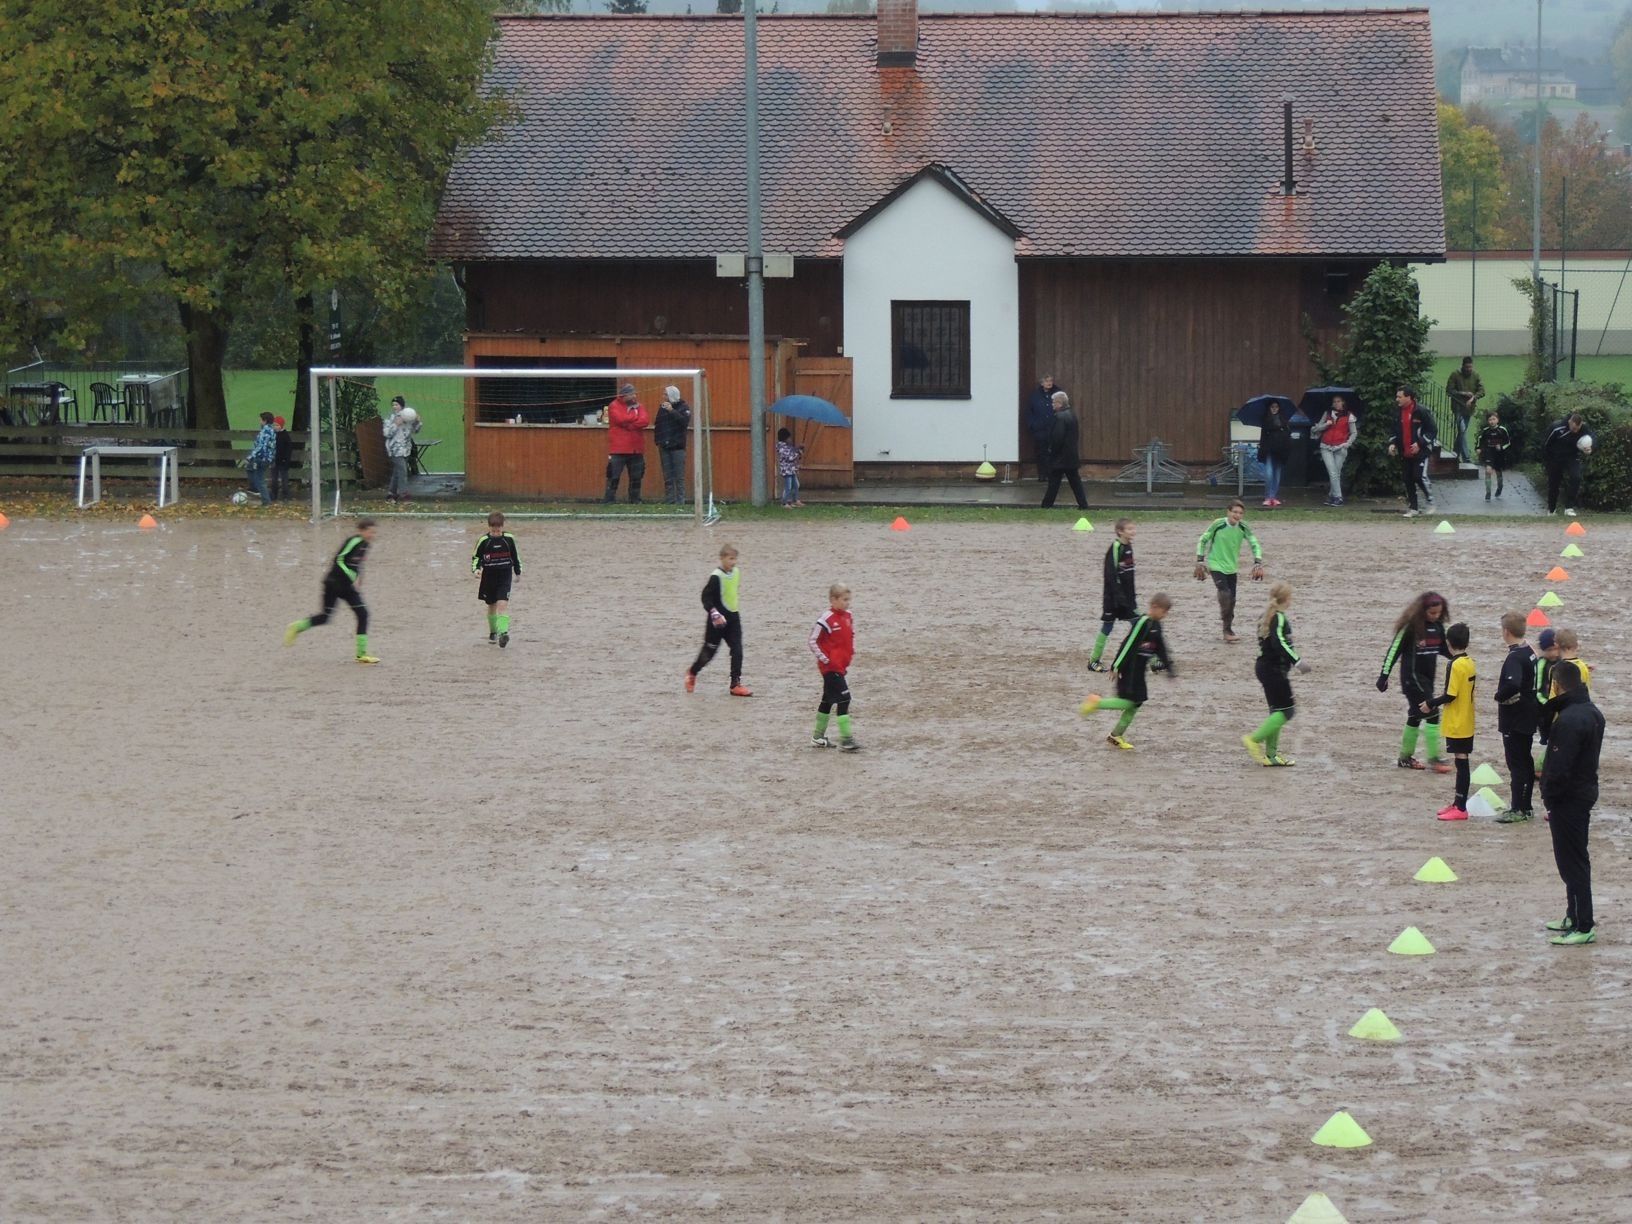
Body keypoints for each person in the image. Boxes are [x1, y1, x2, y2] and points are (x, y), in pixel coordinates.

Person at [1540, 661, 1604, 945]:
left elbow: (1559, 767)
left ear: (1557, 684)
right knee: (1571, 859)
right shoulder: (1591, 712)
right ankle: (1573, 913)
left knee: (1572, 862)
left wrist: (1548, 795)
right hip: (1583, 790)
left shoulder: (1569, 719)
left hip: (1569, 798)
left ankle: (1583, 925)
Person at [1078, 593, 1174, 750]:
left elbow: (1161, 647)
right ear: (1155, 607)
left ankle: (1116, 735)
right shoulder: (1143, 622)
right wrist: (1116, 666)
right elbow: (1127, 644)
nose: (1165, 615)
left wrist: (1169, 669)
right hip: (1129, 670)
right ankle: (1096, 703)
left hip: (1140, 672)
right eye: (1164, 611)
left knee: (1137, 703)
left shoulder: (1156, 626)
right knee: (1129, 702)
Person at [283, 518, 379, 663]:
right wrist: (350, 574)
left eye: (374, 532)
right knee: (325, 617)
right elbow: (339, 559)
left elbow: (357, 563)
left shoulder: (366, 545)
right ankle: (296, 627)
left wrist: (359, 576)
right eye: (370, 532)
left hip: (346, 586)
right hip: (333, 583)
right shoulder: (353, 541)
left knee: (363, 614)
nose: (372, 535)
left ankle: (361, 654)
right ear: (361, 530)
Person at [1377, 592, 1453, 773]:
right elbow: (1393, 650)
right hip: (1412, 680)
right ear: (1422, 610)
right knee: (1432, 713)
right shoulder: (1410, 628)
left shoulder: (1438, 627)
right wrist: (1384, 675)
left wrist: (1460, 658)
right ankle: (1434, 759)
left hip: (1428, 680)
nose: (1435, 616)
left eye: (1438, 613)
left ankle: (1405, 758)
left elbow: (1444, 649)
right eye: (1431, 613)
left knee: (1415, 715)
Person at [1243, 582, 1310, 767]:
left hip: (1263, 668)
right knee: (1288, 711)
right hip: (1273, 671)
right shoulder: (1279, 618)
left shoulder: (1266, 616)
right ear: (1287, 599)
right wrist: (1298, 661)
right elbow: (1279, 643)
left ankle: (1271, 755)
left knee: (1276, 711)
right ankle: (1253, 739)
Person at [1423, 622, 1476, 820]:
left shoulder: (1454, 664)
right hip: (1467, 719)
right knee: (1461, 760)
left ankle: (1461, 808)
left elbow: (1450, 695)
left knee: (1462, 762)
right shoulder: (1470, 662)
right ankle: (1457, 802)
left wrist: (1430, 703)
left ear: (1448, 642)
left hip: (1457, 721)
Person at [1194, 499, 1264, 643]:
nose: (1237, 515)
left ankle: (1228, 628)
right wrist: (1200, 560)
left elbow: (1254, 543)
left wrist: (1258, 561)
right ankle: (1226, 630)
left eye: (1240, 513)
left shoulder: (1243, 527)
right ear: (1228, 512)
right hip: (1216, 565)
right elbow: (1203, 539)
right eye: (1235, 512)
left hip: (1232, 568)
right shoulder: (1218, 524)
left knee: (1232, 600)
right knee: (1225, 595)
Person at [685, 544, 751, 696]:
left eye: (735, 559)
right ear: (722, 559)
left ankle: (735, 684)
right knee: (709, 653)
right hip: (717, 622)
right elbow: (705, 597)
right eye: (730, 559)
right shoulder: (716, 577)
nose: (733, 562)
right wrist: (713, 612)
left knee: (737, 650)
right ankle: (692, 673)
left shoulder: (736, 572)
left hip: (733, 618)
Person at [1493, 611, 1539, 824]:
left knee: (1517, 764)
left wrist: (1498, 696)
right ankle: (1527, 806)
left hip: (1515, 719)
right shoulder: (1530, 650)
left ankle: (1517, 808)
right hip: (1529, 714)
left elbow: (1512, 683)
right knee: (1526, 762)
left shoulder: (1515, 657)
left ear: (1506, 632)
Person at [808, 582, 858, 751]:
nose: (847, 603)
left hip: (841, 666)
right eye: (844, 599)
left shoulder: (848, 615)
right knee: (845, 699)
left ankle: (817, 737)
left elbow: (849, 636)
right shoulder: (825, 619)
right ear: (833, 600)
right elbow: (812, 640)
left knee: (828, 700)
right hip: (830, 669)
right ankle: (846, 739)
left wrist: (850, 653)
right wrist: (825, 659)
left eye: (848, 599)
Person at [1089, 517, 1137, 672]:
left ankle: (1153, 661)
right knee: (1107, 626)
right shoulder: (1116, 547)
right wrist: (1118, 597)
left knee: (1139, 625)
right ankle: (1094, 660)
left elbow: (1128, 576)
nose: (1132, 531)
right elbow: (1110, 574)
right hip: (1113, 599)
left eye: (1133, 528)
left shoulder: (1129, 547)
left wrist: (1131, 597)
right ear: (1120, 532)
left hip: (1127, 599)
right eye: (1129, 529)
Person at [471, 510, 522, 648]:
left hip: (505, 576)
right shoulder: (484, 541)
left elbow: (515, 556)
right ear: (489, 528)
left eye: (498, 529)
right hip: (489, 577)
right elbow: (476, 557)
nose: (496, 532)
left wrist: (517, 571)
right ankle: (493, 632)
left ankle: (503, 633)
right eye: (493, 530)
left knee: (502, 605)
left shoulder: (509, 539)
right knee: (492, 605)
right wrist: (476, 569)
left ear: (502, 527)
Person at [1386, 385, 1436, 518]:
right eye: (1397, 396)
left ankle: (1430, 502)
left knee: (1419, 476)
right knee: (1407, 479)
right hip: (1405, 452)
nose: (1397, 399)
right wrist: (1392, 443)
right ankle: (1413, 508)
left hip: (1421, 452)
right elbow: (1393, 430)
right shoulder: (1397, 412)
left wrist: (1420, 443)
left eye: (1399, 397)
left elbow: (1432, 431)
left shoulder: (1421, 411)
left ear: (1409, 397)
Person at [1040, 391, 1088, 510]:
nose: (1052, 404)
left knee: (1054, 482)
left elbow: (1057, 438)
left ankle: (1046, 505)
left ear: (1060, 403)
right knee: (1075, 482)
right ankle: (1083, 504)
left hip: (1060, 457)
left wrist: (1052, 451)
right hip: (1071, 455)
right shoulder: (1072, 414)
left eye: (1053, 402)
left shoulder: (1060, 417)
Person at [604, 383, 649, 503]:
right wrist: (635, 418)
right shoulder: (614, 405)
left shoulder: (639, 406)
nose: (634, 396)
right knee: (613, 475)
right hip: (619, 448)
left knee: (636, 476)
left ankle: (635, 499)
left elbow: (645, 421)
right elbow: (620, 419)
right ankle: (609, 499)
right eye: (632, 394)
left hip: (636, 448)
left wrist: (630, 424)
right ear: (624, 395)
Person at [1313, 395, 1358, 507]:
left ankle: (1332, 496)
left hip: (1340, 447)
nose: (1336, 403)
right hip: (1326, 446)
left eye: (1338, 401)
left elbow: (1354, 433)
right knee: (1333, 472)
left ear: (1343, 402)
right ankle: (1338, 497)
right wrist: (1326, 424)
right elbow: (1316, 428)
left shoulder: (1349, 415)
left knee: (1336, 473)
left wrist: (1348, 443)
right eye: (1334, 402)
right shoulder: (1327, 413)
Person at [653, 386, 692, 505]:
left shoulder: (684, 407)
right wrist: (658, 440)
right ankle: (670, 500)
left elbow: (683, 422)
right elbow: (658, 424)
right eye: (663, 394)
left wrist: (672, 411)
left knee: (679, 476)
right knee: (667, 476)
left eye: (665, 394)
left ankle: (680, 501)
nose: (663, 397)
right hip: (664, 446)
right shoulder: (662, 408)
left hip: (677, 447)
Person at [1542, 413, 1586, 517]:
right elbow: (1545, 444)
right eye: (1574, 428)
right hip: (1555, 458)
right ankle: (1551, 510)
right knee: (1554, 483)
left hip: (1572, 457)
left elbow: (1592, 436)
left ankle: (1569, 507)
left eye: (1578, 429)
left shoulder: (1583, 428)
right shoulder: (1556, 428)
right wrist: (1548, 461)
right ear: (1570, 422)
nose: (1576, 431)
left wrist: (1591, 447)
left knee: (1576, 477)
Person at [1025, 375, 1065, 481]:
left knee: (1055, 452)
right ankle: (1042, 475)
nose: (1049, 383)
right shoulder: (1035, 396)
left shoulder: (1058, 394)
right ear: (1042, 383)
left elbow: (1064, 409)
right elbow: (1029, 412)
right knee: (1041, 453)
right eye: (1047, 381)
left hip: (1055, 428)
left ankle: (1054, 475)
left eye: (1051, 380)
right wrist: (1033, 425)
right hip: (1040, 429)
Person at [1445, 356, 1485, 463]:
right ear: (1463, 366)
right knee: (1462, 431)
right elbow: (1449, 390)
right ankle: (1466, 458)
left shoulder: (1476, 375)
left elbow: (1482, 390)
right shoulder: (1455, 375)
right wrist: (1462, 393)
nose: (1469, 369)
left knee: (1461, 433)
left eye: (1470, 367)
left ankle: (1455, 454)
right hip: (1458, 408)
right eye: (1467, 367)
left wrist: (1473, 398)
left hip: (1469, 409)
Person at [383, 396, 420, 503]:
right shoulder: (390, 419)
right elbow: (386, 433)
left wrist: (417, 421)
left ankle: (391, 495)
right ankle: (404, 496)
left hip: (406, 449)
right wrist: (395, 424)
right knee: (403, 471)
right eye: (393, 405)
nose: (394, 407)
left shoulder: (409, 416)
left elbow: (416, 430)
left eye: (397, 404)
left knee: (397, 472)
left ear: (402, 406)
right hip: (394, 449)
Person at [1256, 399, 1290, 508]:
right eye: (1272, 407)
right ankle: (1268, 496)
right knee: (1269, 473)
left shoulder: (1284, 420)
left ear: (1279, 408)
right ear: (1269, 408)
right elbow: (1263, 439)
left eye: (1276, 407)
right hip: (1269, 451)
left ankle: (1273, 496)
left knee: (1277, 474)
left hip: (1281, 451)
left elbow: (1287, 436)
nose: (1274, 409)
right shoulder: (1265, 421)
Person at [1477, 410, 1511, 501]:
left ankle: (1500, 487)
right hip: (1489, 453)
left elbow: (1508, 442)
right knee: (1488, 471)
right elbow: (1480, 440)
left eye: (1493, 419)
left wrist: (1502, 447)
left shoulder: (1502, 430)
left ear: (1497, 420)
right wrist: (1479, 448)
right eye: (1490, 420)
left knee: (1498, 472)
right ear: (1487, 421)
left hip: (1499, 454)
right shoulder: (1485, 431)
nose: (1492, 421)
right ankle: (1488, 492)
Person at [245, 411, 276, 506]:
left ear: (265, 420)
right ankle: (256, 490)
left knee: (259, 479)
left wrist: (250, 457)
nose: (260, 421)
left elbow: (261, 446)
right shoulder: (272, 430)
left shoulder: (265, 431)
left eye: (261, 420)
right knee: (252, 471)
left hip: (262, 458)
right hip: (267, 458)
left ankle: (265, 499)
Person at [777, 428, 805, 508]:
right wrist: (798, 453)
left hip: (792, 470)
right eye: (789, 438)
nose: (790, 439)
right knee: (788, 487)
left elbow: (793, 453)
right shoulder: (782, 448)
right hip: (786, 471)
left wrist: (799, 450)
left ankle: (795, 500)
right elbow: (790, 457)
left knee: (796, 485)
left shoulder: (788, 447)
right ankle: (784, 502)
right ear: (785, 439)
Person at [271, 415, 294, 503]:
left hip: (283, 462)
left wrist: (286, 461)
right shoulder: (274, 435)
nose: (275, 427)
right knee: (274, 479)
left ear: (281, 426)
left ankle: (285, 496)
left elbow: (288, 450)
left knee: (284, 479)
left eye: (277, 425)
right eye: (274, 425)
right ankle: (274, 495)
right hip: (275, 461)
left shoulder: (285, 436)